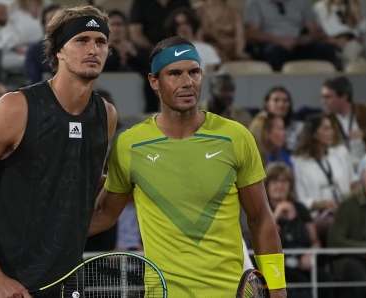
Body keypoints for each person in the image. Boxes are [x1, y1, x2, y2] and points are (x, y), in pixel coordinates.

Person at [89, 36, 286, 297]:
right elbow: (103, 214)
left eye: (194, 72)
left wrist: (278, 286)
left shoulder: (236, 137)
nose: (187, 82)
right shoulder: (129, 145)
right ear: (153, 82)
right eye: (175, 74)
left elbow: (261, 218)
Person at [0, 5, 118, 298]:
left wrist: (133, 182)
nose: (93, 49)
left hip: (65, 284)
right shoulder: (15, 108)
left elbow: (82, 198)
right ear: (59, 51)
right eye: (81, 40)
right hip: (6, 286)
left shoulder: (106, 115)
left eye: (100, 42)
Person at [264, 162, 333, 298]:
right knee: (300, 284)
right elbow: (262, 238)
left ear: (290, 185)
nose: (280, 185)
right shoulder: (263, 211)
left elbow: (315, 242)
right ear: (266, 185)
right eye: (275, 181)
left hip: (302, 262)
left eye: (284, 181)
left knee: (325, 279)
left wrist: (310, 254)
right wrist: (277, 214)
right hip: (277, 265)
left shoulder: (301, 209)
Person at [291, 113, 358, 241]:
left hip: (346, 209)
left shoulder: (341, 153)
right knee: (329, 225)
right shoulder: (298, 162)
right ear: (314, 134)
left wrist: (350, 204)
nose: (332, 132)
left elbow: (354, 182)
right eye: (326, 129)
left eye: (331, 128)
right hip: (319, 215)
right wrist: (329, 206)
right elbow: (302, 199)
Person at [328, 150, 366, 298]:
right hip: (354, 260)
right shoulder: (349, 204)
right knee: (357, 274)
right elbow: (334, 241)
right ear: (363, 174)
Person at [244, 0, 337, 71]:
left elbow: (314, 31)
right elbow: (252, 33)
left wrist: (308, 39)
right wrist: (278, 40)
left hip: (298, 44)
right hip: (272, 44)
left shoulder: (302, 2)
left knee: (327, 50)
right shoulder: (255, 2)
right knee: (273, 52)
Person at [102, 10, 158, 113]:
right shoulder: (100, 51)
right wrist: (119, 56)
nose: (116, 28)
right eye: (112, 24)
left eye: (119, 24)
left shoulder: (138, 50)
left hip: (136, 100)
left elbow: (151, 68)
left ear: (126, 28)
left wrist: (134, 55)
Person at [320, 76, 366, 169]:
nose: (323, 101)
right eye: (322, 97)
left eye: (327, 97)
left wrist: (365, 133)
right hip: (339, 168)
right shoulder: (324, 119)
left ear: (344, 97)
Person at [164, 7, 221, 73]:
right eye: (178, 25)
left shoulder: (207, 49)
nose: (183, 28)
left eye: (186, 23)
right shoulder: (168, 53)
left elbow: (210, 76)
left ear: (192, 25)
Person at [250, 86, 304, 152]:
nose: (281, 105)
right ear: (267, 104)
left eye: (285, 101)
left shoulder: (300, 127)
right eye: (276, 100)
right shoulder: (258, 124)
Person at [313, 0, 366, 67]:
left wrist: (354, 7)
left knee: (354, 51)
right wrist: (334, 41)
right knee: (355, 57)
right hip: (332, 43)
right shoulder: (320, 8)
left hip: (353, 42)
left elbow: (364, 28)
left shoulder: (351, 8)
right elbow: (316, 33)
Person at [0, 0, 44, 72]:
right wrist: (15, 47)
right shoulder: (12, 7)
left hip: (43, 48)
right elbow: (6, 31)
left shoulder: (47, 4)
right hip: (20, 50)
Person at [23, 4, 60, 84]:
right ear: (44, 25)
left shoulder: (78, 46)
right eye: (52, 19)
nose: (58, 23)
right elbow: (33, 82)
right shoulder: (34, 50)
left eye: (61, 19)